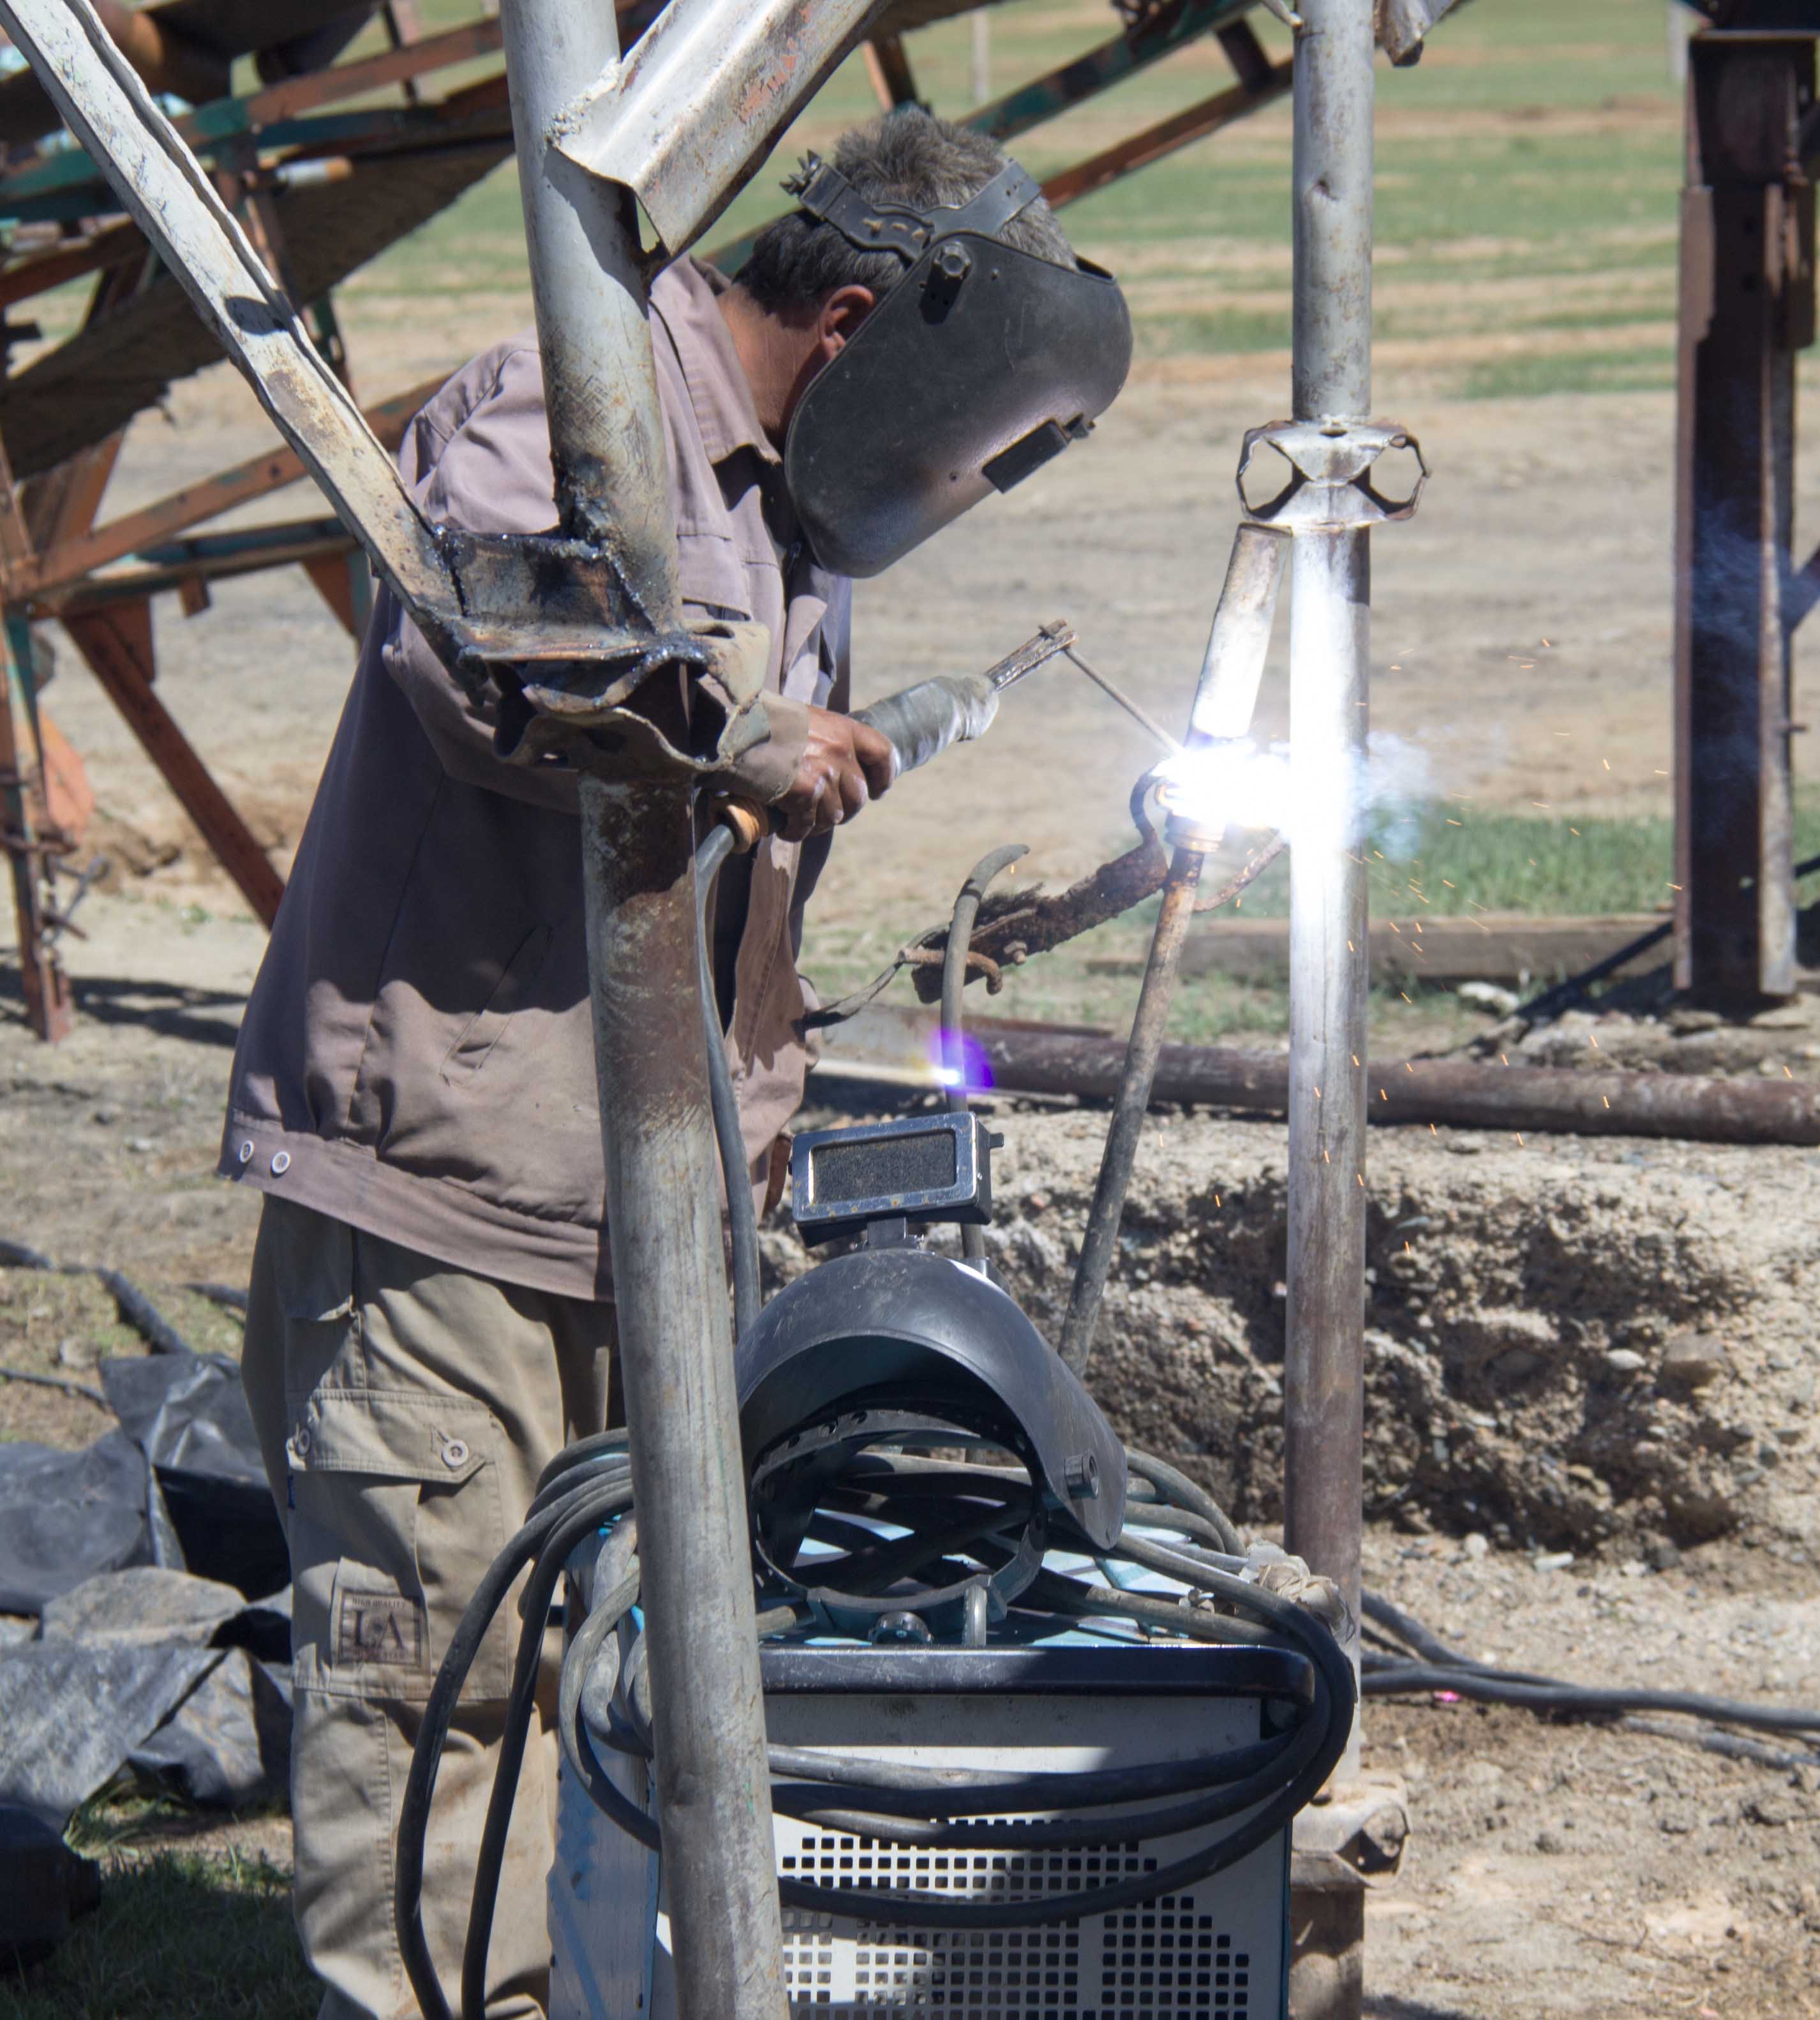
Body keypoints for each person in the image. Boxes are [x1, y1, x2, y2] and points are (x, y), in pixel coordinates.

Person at [222, 105, 1118, 2019]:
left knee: (631, 1669)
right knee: (437, 1686)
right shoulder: (570, 405)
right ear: (856, 323)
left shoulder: (781, 507)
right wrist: (727, 729)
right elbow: (479, 651)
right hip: (448, 1201)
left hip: (650, 1204)